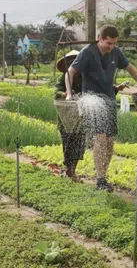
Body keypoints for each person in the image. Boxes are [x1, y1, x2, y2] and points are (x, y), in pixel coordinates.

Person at [65, 25, 137, 192]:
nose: (111, 47)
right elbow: (70, 72)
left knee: (110, 141)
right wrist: (68, 94)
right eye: (108, 43)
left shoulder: (116, 53)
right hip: (92, 101)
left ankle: (103, 176)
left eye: (114, 43)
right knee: (100, 138)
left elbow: (131, 69)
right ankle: (100, 179)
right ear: (100, 39)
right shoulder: (88, 53)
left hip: (109, 100)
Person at [55, 50, 85, 182]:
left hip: (80, 118)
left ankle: (73, 170)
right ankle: (69, 170)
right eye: (71, 62)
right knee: (68, 144)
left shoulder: (85, 77)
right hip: (66, 117)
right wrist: (66, 94)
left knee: (79, 146)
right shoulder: (63, 78)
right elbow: (56, 92)